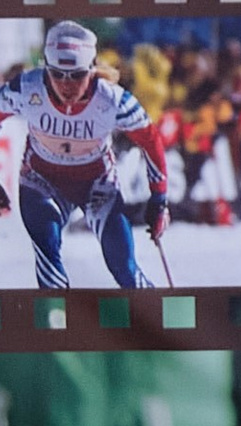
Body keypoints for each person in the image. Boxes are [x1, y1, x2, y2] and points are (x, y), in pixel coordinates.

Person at [0, 19, 168, 288]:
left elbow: (151, 141)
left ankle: (160, 322)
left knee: (124, 269)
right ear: (45, 68)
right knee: (48, 253)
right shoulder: (26, 88)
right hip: (41, 182)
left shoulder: (113, 100)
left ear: (91, 70)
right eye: (57, 74)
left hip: (96, 186)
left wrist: (159, 199)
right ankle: (57, 327)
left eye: (77, 75)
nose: (66, 85)